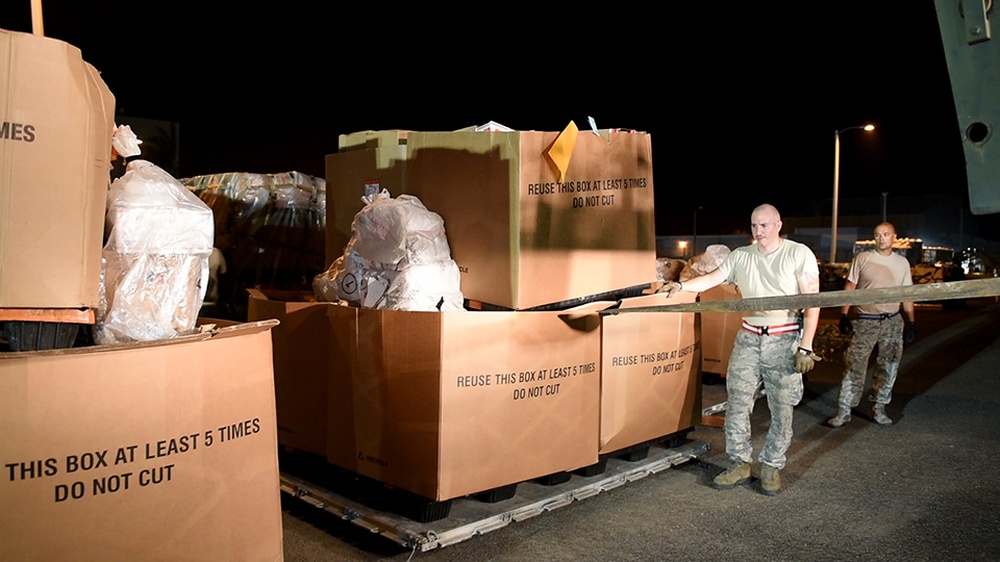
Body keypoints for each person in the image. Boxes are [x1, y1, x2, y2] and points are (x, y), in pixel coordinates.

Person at [660, 203, 820, 496]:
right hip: (749, 337)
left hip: (784, 340)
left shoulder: (798, 254)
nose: (758, 232)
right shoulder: (742, 256)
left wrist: (806, 347)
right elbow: (712, 279)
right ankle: (739, 462)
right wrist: (680, 288)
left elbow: (812, 302)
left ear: (778, 225)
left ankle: (771, 465)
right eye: (754, 226)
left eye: (764, 226)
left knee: (782, 408)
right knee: (737, 404)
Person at [827, 222, 916, 428]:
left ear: (894, 236)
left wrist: (911, 321)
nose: (881, 238)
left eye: (885, 234)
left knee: (889, 365)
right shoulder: (863, 259)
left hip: (892, 321)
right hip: (866, 321)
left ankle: (879, 407)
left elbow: (907, 294)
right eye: (877, 235)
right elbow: (850, 287)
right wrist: (843, 314)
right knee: (854, 365)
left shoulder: (902, 263)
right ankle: (844, 410)